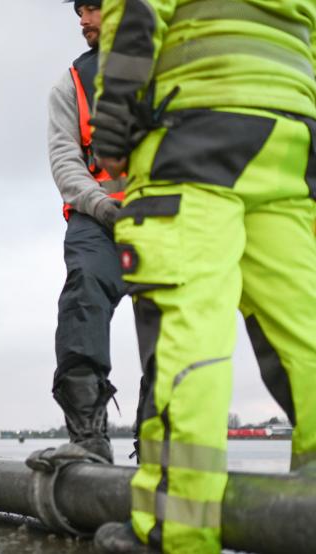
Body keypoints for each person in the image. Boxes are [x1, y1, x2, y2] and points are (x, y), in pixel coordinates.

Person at [89, 1, 316, 552]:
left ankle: (178, 530)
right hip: (291, 139)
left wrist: (112, 134)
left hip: (191, 136)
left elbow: (137, 13)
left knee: (188, 337)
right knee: (304, 330)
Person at [46, 0, 126, 463]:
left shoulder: (170, 64)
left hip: (165, 216)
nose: (83, 19)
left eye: (93, 7)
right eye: (79, 10)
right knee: (83, 295)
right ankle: (88, 436)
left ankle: (162, 441)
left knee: (170, 324)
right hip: (96, 218)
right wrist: (102, 206)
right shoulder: (70, 83)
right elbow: (65, 161)